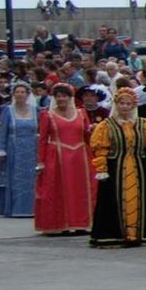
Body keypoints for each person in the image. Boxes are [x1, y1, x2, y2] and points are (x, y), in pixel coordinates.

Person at [89, 81, 146, 248]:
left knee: (145, 199)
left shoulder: (142, 123)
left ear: (134, 105)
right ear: (116, 104)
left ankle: (144, 233)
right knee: (113, 200)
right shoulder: (106, 125)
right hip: (115, 168)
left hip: (139, 167)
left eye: (128, 104)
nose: (125, 107)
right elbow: (100, 148)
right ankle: (117, 235)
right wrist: (102, 168)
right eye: (121, 103)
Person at [35, 83, 95, 236]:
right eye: (58, 96)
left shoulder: (82, 113)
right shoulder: (47, 115)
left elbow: (88, 136)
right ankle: (60, 223)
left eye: (64, 96)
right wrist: (41, 162)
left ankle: (81, 223)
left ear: (70, 97)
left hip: (80, 157)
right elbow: (42, 140)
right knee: (60, 190)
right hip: (57, 157)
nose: (61, 99)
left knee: (80, 190)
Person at [0, 81, 38, 218]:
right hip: (14, 148)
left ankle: (32, 208)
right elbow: (3, 131)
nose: (20, 94)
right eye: (17, 92)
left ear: (28, 94)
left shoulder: (35, 110)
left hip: (32, 148)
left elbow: (40, 131)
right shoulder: (7, 110)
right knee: (16, 179)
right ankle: (15, 208)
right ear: (13, 94)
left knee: (32, 179)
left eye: (22, 92)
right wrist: (2, 149)